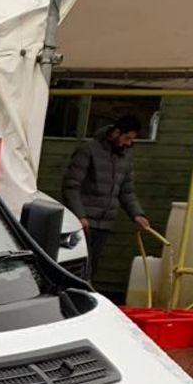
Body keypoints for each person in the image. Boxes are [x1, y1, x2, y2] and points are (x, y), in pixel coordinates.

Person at [61, 115, 153, 271]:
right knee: (74, 266)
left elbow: (127, 191)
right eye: (127, 138)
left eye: (132, 140)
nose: (128, 143)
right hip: (82, 223)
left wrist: (137, 214)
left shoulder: (125, 158)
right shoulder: (88, 150)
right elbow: (71, 186)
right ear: (116, 132)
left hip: (103, 225)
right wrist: (80, 216)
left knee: (91, 267)